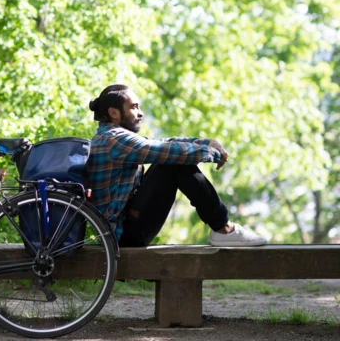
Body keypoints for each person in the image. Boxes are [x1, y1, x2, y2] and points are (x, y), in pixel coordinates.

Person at [86, 84, 267, 247]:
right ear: (114, 113)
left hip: (123, 229)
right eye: (134, 107)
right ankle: (223, 229)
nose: (140, 112)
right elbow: (167, 150)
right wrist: (210, 152)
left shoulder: (111, 138)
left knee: (170, 160)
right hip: (123, 236)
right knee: (174, 163)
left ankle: (222, 228)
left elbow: (161, 143)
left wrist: (206, 142)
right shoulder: (115, 140)